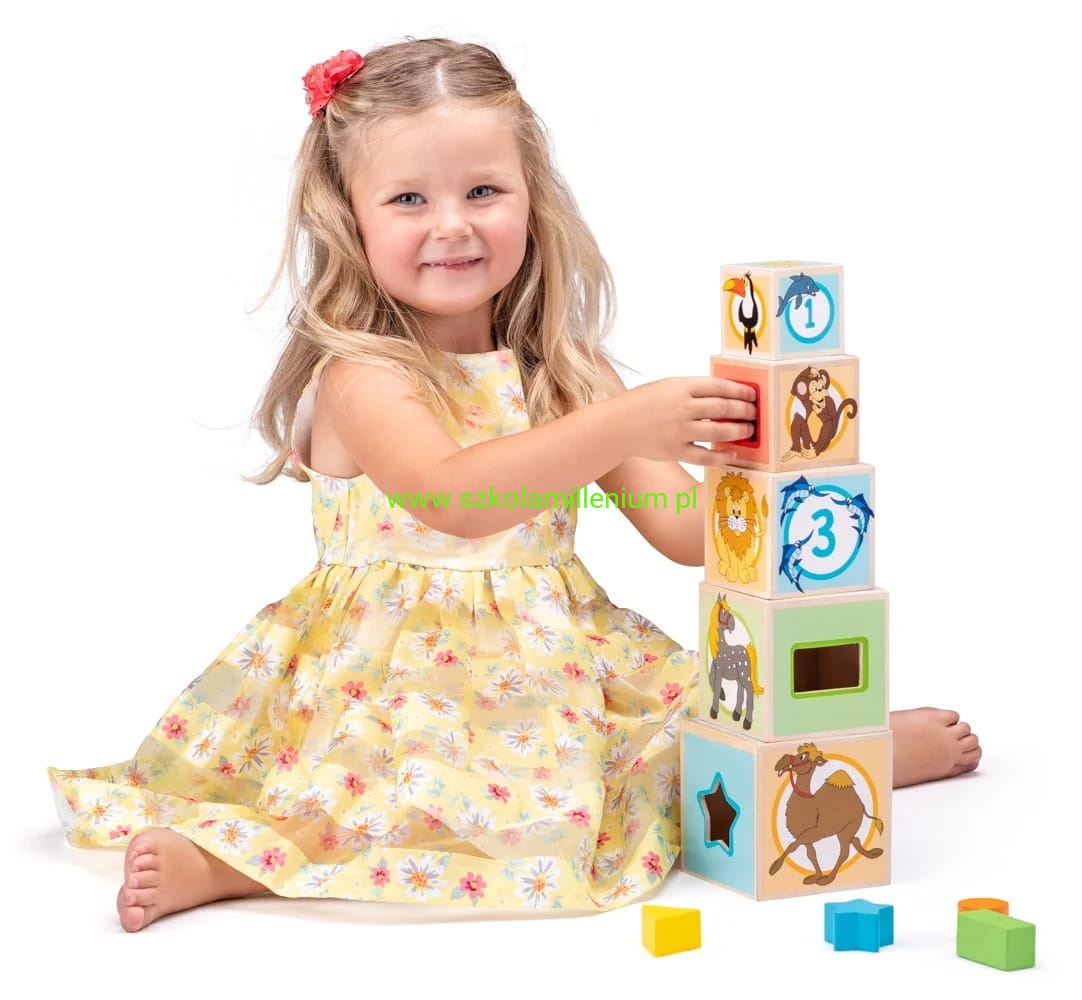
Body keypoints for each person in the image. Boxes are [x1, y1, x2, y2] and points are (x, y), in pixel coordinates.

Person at [47, 38, 981, 932]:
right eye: (409, 198)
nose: (452, 224)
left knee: (672, 740)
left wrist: (784, 471)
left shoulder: (565, 372)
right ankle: (231, 865)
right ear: (348, 216)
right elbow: (455, 498)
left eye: (483, 191)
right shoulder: (364, 373)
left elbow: (683, 530)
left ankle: (836, 755)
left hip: (557, 663)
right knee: (404, 791)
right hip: (394, 677)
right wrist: (623, 421)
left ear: (532, 200)